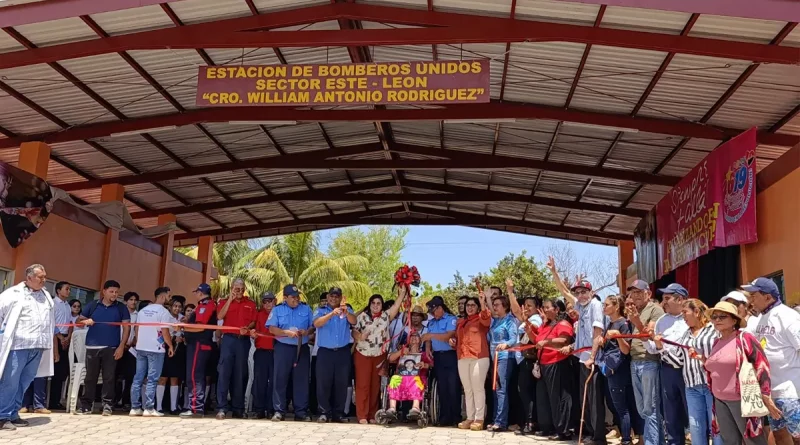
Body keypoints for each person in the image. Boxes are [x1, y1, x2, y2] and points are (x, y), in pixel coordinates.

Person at [547, 257, 606, 445]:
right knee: (585, 399)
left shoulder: (596, 305)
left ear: (591, 292)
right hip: (582, 357)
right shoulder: (581, 305)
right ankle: (588, 433)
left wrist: (593, 357)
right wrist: (554, 272)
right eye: (578, 292)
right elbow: (563, 291)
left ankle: (598, 437)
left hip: (592, 358)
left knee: (594, 400)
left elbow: (598, 332)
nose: (580, 295)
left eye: (583, 291)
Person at [705, 301, 779, 445]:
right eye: (715, 317)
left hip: (742, 398)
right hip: (720, 399)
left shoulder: (744, 338)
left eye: (722, 316)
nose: (717, 320)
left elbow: (762, 365)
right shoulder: (716, 342)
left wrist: (765, 393)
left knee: (753, 440)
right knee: (730, 441)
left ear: (734, 320)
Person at [743, 278, 800, 444]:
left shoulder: (788, 317)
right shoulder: (762, 318)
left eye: (754, 295)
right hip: (771, 392)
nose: (750, 299)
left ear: (768, 297)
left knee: (798, 437)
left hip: (791, 391)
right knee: (779, 436)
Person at [657, 299, 720, 445]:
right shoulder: (685, 335)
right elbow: (678, 361)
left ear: (697, 312)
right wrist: (661, 347)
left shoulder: (714, 330)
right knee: (696, 427)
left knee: (716, 427)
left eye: (685, 312)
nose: (683, 316)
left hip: (711, 386)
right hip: (691, 387)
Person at [0, 264, 55, 431]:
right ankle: (2, 416)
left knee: (24, 382)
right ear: (29, 277)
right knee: (10, 381)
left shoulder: (45, 295)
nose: (44, 280)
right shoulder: (12, 294)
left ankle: (13, 414)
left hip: (38, 346)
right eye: (40, 277)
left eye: (45, 276)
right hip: (17, 346)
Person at [588, 295, 641, 445]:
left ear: (616, 306)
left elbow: (625, 350)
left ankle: (626, 439)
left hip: (619, 371)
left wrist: (617, 336)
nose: (603, 307)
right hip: (611, 369)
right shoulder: (609, 324)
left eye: (606, 305)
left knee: (622, 408)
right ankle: (627, 435)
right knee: (617, 406)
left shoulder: (623, 324)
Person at [77, 279, 130, 416]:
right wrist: (84, 321)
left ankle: (107, 405)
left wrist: (121, 346)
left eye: (117, 292)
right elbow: (78, 322)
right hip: (92, 347)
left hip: (111, 347)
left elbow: (126, 328)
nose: (114, 294)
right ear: (104, 291)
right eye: (111, 291)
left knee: (109, 378)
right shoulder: (93, 305)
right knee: (90, 377)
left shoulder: (121, 308)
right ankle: (86, 405)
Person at [353, 291, 406, 424]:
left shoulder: (385, 316)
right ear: (369, 304)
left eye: (378, 303)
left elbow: (396, 305)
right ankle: (362, 415)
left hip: (379, 355)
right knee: (362, 385)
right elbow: (353, 330)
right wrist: (359, 336)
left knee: (375, 386)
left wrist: (403, 292)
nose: (376, 306)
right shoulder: (362, 317)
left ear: (382, 305)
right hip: (363, 354)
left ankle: (372, 414)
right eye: (373, 303)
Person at [625, 279, 665, 445]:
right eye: (633, 292)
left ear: (648, 293)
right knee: (642, 409)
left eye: (639, 292)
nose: (636, 296)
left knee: (650, 409)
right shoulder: (635, 310)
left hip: (649, 361)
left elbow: (649, 335)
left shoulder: (655, 309)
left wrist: (636, 322)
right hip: (635, 361)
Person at [267, 284, 314, 422]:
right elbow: (271, 329)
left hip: (301, 347)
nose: (296, 299)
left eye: (297, 296)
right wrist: (285, 332)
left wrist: (307, 332)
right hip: (283, 347)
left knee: (301, 380)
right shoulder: (277, 310)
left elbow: (313, 326)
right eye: (293, 297)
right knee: (280, 379)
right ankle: (279, 411)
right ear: (285, 298)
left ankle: (301, 411)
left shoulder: (306, 308)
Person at [650, 283, 689, 445]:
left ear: (680, 299)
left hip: (688, 371)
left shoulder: (691, 318)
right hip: (667, 370)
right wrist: (649, 341)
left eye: (667, 298)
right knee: (671, 413)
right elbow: (653, 349)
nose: (663, 302)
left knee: (692, 411)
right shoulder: (661, 321)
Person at [128, 287, 174, 417]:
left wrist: (138, 342)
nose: (170, 298)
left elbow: (137, 329)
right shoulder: (163, 312)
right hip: (156, 348)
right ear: (163, 296)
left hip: (141, 347)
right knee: (152, 379)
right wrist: (170, 345)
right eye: (169, 296)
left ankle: (135, 407)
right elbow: (165, 331)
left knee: (138, 378)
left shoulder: (143, 311)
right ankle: (148, 407)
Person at [534, 299, 575, 441]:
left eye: (547, 307)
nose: (545, 310)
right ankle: (550, 427)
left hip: (557, 363)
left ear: (557, 309)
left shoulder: (563, 324)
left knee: (559, 397)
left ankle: (563, 430)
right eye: (543, 308)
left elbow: (564, 340)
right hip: (544, 364)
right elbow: (538, 340)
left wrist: (547, 342)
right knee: (546, 398)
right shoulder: (546, 325)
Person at [313, 287, 356, 423]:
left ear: (340, 297)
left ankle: (339, 413)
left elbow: (354, 321)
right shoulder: (320, 310)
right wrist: (331, 314)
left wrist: (346, 312)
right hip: (325, 352)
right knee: (323, 383)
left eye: (337, 296)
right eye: (331, 296)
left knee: (341, 383)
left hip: (342, 352)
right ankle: (324, 412)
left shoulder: (346, 310)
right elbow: (316, 323)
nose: (334, 298)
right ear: (328, 297)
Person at [215, 278, 256, 420]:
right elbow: (220, 316)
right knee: (224, 373)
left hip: (243, 341)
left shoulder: (250, 303)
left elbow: (253, 321)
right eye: (237, 289)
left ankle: (238, 408)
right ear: (232, 288)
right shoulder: (223, 302)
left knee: (240, 374)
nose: (240, 291)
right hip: (228, 340)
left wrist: (248, 328)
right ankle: (221, 407)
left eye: (242, 289)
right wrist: (230, 300)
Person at [421, 295, 460, 427]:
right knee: (442, 387)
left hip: (450, 355)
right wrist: (427, 347)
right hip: (437, 356)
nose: (432, 314)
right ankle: (444, 417)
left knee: (453, 387)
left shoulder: (451, 319)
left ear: (440, 308)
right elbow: (427, 338)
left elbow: (449, 335)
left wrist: (431, 336)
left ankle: (456, 416)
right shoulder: (432, 323)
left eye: (433, 311)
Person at [180, 283, 217, 418]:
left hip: (199, 344)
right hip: (196, 344)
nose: (195, 294)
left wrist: (183, 327)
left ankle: (196, 408)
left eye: (196, 292)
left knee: (195, 376)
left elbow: (201, 327)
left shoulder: (206, 305)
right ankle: (194, 406)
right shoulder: (202, 305)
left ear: (201, 293)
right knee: (194, 376)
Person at [455, 295, 491, 431]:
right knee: (467, 389)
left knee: (478, 388)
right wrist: (453, 342)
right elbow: (458, 340)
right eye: (468, 305)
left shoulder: (481, 319)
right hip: (463, 357)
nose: (469, 307)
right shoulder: (461, 322)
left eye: (472, 305)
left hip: (479, 356)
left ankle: (479, 418)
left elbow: (487, 319)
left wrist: (482, 303)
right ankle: (470, 417)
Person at [486, 289, 519, 432]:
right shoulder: (496, 321)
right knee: (495, 388)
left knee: (501, 389)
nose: (495, 307)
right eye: (494, 305)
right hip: (494, 357)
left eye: (497, 304)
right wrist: (486, 298)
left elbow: (513, 338)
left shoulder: (510, 320)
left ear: (505, 306)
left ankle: (501, 421)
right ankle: (495, 419)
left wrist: (506, 344)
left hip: (505, 357)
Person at [383, 332, 432, 421]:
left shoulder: (423, 354)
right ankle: (392, 408)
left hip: (418, 379)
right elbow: (390, 359)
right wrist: (400, 352)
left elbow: (432, 364)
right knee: (394, 378)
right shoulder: (403, 352)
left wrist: (424, 365)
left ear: (420, 341)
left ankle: (416, 407)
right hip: (402, 378)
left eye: (416, 337)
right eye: (411, 337)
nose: (413, 338)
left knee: (415, 379)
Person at [248, 292, 275, 420]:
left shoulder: (279, 314)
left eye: (270, 301)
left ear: (274, 301)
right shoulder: (259, 314)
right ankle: (259, 410)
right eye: (265, 302)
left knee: (274, 382)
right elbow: (254, 329)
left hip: (276, 352)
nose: (268, 304)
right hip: (261, 351)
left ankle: (271, 409)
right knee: (260, 382)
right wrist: (252, 333)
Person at [157, 298, 184, 414]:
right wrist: (173, 338)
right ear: (170, 307)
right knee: (163, 378)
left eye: (179, 306)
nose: (177, 309)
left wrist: (182, 338)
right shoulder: (165, 316)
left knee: (175, 378)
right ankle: (158, 406)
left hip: (179, 349)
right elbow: (162, 332)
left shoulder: (183, 319)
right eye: (175, 306)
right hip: (166, 347)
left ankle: (173, 407)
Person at [50, 281, 72, 410]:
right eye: (66, 289)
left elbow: (69, 323)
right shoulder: (53, 304)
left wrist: (68, 337)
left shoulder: (67, 306)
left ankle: (57, 400)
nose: (68, 292)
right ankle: (52, 401)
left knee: (62, 372)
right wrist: (60, 337)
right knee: (55, 371)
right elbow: (52, 323)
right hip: (55, 338)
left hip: (65, 339)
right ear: (58, 290)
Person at [116, 291, 139, 410]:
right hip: (117, 347)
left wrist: (129, 344)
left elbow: (137, 331)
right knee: (115, 376)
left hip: (131, 349)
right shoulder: (119, 313)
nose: (133, 302)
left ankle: (126, 401)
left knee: (130, 376)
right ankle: (114, 401)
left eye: (135, 300)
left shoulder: (138, 315)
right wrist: (121, 344)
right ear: (125, 301)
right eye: (131, 299)